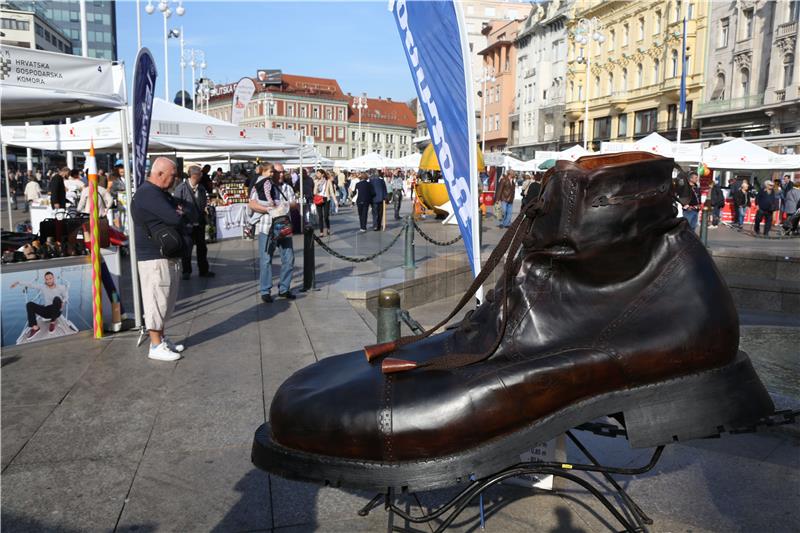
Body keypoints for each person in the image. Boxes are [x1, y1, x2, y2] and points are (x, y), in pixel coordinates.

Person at [131, 157, 191, 362]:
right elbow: (176, 217)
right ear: (159, 174)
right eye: (172, 176)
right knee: (156, 299)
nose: (175, 180)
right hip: (153, 256)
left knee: (165, 300)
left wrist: (179, 212)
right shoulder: (148, 193)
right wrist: (179, 213)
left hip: (165, 254)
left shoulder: (159, 193)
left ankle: (162, 340)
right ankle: (155, 345)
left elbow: (183, 212)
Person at [249, 163, 296, 303]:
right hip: (266, 227)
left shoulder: (288, 188)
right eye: (277, 172)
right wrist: (269, 210)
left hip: (283, 227)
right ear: (271, 173)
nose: (281, 175)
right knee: (266, 260)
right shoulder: (261, 185)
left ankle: (284, 288)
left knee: (288, 258)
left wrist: (283, 207)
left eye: (283, 172)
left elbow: (295, 204)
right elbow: (251, 203)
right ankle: (265, 290)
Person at [174, 165, 215, 280]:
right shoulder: (181, 188)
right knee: (187, 248)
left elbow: (202, 203)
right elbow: (176, 206)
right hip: (187, 224)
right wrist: (183, 215)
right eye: (200, 175)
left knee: (202, 248)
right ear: (194, 176)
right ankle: (186, 271)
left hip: (199, 223)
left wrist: (205, 209)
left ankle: (204, 270)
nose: (201, 177)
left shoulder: (201, 188)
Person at [10, 272, 68, 339]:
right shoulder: (43, 287)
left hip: (56, 311)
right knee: (29, 304)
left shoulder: (61, 287)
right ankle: (35, 328)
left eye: (50, 278)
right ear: (45, 280)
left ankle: (52, 322)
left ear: (53, 278)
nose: (49, 280)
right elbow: (31, 285)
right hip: (47, 311)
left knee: (57, 299)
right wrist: (18, 282)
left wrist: (63, 302)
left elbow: (66, 297)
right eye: (47, 279)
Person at [314, 169, 337, 236]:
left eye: (318, 173)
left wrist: (335, 201)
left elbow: (332, 192)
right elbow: (314, 192)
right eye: (317, 173)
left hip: (326, 199)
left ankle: (328, 228)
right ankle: (321, 232)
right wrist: (316, 185)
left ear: (322, 174)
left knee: (326, 216)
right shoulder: (316, 181)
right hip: (318, 199)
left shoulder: (328, 181)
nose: (317, 174)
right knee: (320, 216)